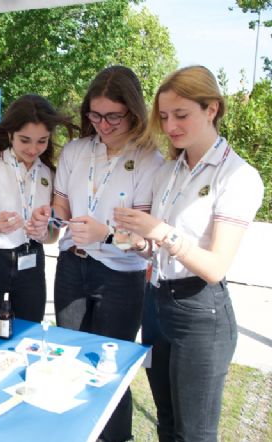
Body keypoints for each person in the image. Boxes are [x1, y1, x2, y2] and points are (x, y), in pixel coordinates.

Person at [114, 66, 263, 442]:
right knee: (166, 422)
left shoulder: (237, 177)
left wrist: (159, 231)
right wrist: (140, 242)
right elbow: (161, 250)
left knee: (193, 434)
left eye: (181, 115)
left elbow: (215, 266)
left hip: (201, 311)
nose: (170, 126)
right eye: (163, 117)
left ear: (211, 109)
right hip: (157, 302)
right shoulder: (170, 170)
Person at [28, 66, 164, 441]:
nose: (102, 124)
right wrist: (48, 221)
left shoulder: (151, 162)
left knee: (110, 370)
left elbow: (146, 244)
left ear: (134, 112)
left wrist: (105, 236)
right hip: (72, 266)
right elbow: (61, 211)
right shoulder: (76, 151)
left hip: (121, 277)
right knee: (68, 359)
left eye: (112, 116)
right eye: (94, 115)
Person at [0, 94, 74, 322]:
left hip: (32, 261)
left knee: (29, 333)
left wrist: (45, 232)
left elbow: (54, 234)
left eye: (42, 141)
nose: (33, 149)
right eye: (25, 140)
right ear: (10, 135)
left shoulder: (48, 174)